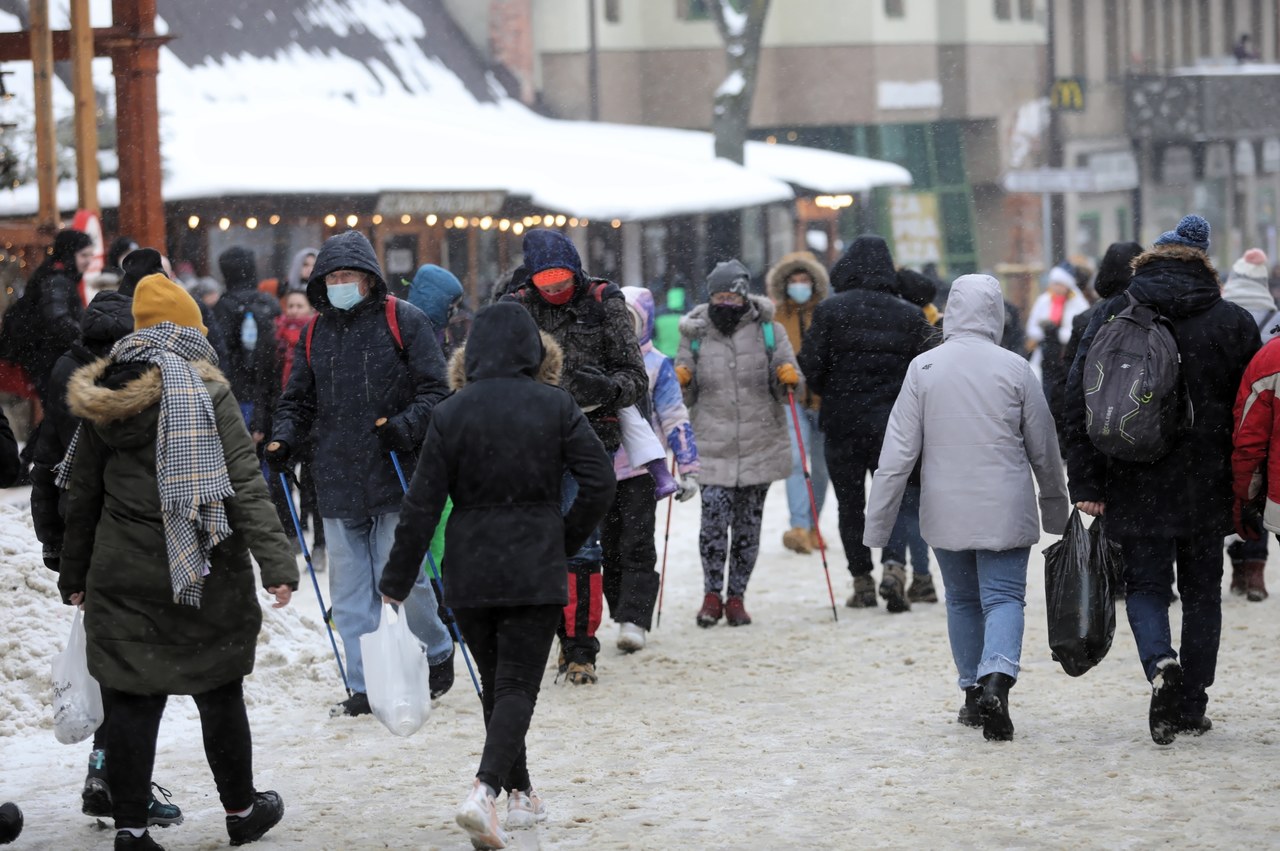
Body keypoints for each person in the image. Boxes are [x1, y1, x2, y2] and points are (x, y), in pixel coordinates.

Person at [58, 273, 297, 850]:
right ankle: (241, 810)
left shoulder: (105, 399)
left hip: (123, 574)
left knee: (133, 700)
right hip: (205, 572)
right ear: (191, 330)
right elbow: (244, 482)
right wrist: (277, 564)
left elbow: (82, 495)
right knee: (218, 690)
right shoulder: (208, 393)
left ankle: (133, 829)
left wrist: (75, 575)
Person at [379, 302, 614, 849]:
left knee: (497, 685)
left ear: (472, 352)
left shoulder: (451, 412)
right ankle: (485, 792)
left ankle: (521, 795)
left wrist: (396, 579)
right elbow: (600, 482)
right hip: (534, 561)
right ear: (535, 351)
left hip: (470, 567)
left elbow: (421, 505)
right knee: (516, 687)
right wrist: (563, 539)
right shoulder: (556, 404)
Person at [1066, 215, 1260, 745]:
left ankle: (1160, 665)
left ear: (1152, 257)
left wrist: (1086, 481)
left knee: (1147, 586)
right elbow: (1249, 413)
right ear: (1205, 261)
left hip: (1134, 472)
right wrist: (1250, 483)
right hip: (1207, 480)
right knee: (1202, 594)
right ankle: (1192, 703)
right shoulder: (1232, 321)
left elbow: (1078, 400)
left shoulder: (1113, 312)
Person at [865, 274, 1068, 741]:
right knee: (1003, 598)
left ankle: (973, 695)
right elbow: (1044, 448)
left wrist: (878, 525)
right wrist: (1056, 509)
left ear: (951, 310)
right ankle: (998, 677)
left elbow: (896, 455)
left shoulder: (924, 369)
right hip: (1005, 503)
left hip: (945, 504)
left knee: (961, 599)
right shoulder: (1016, 368)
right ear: (996, 313)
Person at [27, 249, 185, 825]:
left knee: (106, 664)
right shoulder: (134, 382)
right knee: (132, 671)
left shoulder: (66, 372)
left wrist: (55, 544)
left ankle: (105, 770)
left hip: (82, 543)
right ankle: (115, 780)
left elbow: (46, 464)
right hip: (125, 542)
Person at [267, 231, 455, 716]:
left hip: (395, 470)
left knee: (406, 579)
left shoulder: (404, 321)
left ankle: (436, 650)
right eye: (332, 277)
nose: (340, 283)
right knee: (349, 595)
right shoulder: (313, 333)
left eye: (349, 275)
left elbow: (436, 392)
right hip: (334, 476)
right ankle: (363, 685)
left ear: (370, 279)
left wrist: (404, 426)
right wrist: (284, 437)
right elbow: (297, 400)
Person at [503, 228, 650, 685]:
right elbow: (490, 373)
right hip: (529, 442)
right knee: (537, 545)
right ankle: (550, 636)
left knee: (584, 545)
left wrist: (609, 388)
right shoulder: (514, 307)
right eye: (545, 283)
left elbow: (635, 376)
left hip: (591, 437)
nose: (554, 290)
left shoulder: (605, 300)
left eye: (561, 280)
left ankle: (581, 647)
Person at [796, 235, 932, 612]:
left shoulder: (829, 311)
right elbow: (925, 372)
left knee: (850, 504)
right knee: (894, 501)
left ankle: (862, 582)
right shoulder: (909, 314)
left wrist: (834, 390)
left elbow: (811, 366)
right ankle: (893, 566)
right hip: (893, 426)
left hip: (842, 422)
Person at [676, 259, 800, 627]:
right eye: (718, 295)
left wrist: (788, 376)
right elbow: (684, 394)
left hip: (759, 442)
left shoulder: (769, 331)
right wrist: (680, 378)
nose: (725, 302)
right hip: (712, 443)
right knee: (712, 524)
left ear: (745, 295)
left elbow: (786, 389)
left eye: (732, 295)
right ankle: (711, 595)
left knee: (748, 528)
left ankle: (737, 597)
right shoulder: (695, 333)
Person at [607, 287, 700, 651]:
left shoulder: (658, 365)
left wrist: (688, 465)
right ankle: (620, 608)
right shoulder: (597, 359)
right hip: (598, 470)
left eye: (630, 321)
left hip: (641, 472)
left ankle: (634, 618)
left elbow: (675, 416)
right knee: (607, 548)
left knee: (637, 544)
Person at [1221, 248, 1278, 597]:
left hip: (1223, 416)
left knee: (1232, 490)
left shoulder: (1222, 314)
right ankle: (1255, 570)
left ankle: (1237, 568)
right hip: (1266, 415)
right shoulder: (1275, 317)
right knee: (1263, 488)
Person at [766, 251, 830, 556]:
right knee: (795, 461)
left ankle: (814, 524)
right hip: (790, 397)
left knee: (821, 468)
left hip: (823, 399)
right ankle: (799, 525)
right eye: (794, 280)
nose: (800, 285)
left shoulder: (828, 312)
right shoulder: (776, 316)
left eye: (805, 280)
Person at [267, 290, 324, 568]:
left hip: (313, 423)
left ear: (310, 308)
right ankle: (292, 534)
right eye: (289, 305)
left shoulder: (317, 338)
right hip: (284, 422)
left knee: (314, 488)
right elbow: (265, 383)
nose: (293, 310)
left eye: (299, 305)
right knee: (279, 484)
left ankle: (320, 544)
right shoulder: (276, 340)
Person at [4, 229, 95, 403]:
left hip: (49, 361)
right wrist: (87, 339)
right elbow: (58, 320)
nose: (88, 261)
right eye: (84, 255)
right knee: (62, 416)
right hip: (51, 361)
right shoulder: (57, 280)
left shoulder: (56, 275)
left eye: (90, 255)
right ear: (69, 254)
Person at [211, 247, 279, 443]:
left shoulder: (224, 306)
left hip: (238, 390)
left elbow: (220, 351)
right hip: (272, 387)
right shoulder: (268, 302)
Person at [406, 263, 466, 358]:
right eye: (452, 304)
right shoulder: (417, 334)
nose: (455, 310)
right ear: (439, 301)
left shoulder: (436, 332)